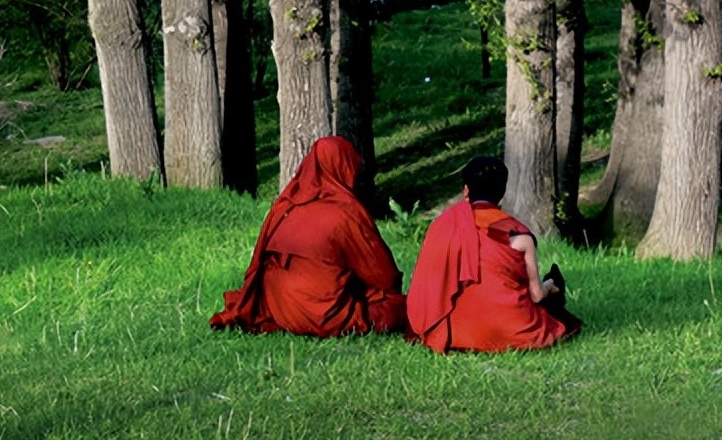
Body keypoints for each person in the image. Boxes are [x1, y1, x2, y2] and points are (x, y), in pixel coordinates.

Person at [209, 136, 406, 337]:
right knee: (398, 307)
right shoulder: (345, 212)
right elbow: (384, 276)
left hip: (277, 310)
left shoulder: (285, 206)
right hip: (322, 317)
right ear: (344, 168)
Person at [405, 156, 582, 353]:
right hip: (514, 332)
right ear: (502, 193)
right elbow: (537, 296)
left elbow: (428, 288)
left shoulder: (444, 226)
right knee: (557, 314)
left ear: (466, 190)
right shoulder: (519, 234)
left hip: (457, 332)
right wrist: (551, 285)